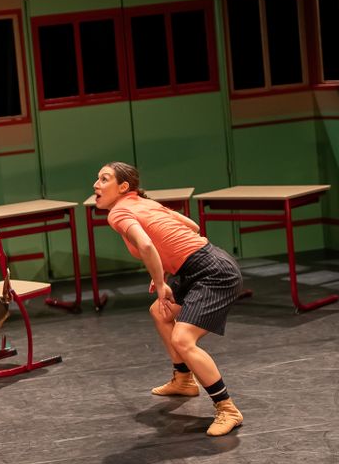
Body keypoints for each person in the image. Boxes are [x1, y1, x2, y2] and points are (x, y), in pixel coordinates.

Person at [93, 161, 244, 436]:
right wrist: (164, 269)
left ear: (123, 187)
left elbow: (146, 244)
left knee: (183, 339)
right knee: (160, 312)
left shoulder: (118, 212)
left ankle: (227, 408)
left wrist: (161, 281)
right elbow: (192, 226)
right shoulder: (144, 203)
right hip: (200, 265)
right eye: (98, 179)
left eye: (104, 179)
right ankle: (184, 379)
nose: (96, 185)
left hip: (213, 273)